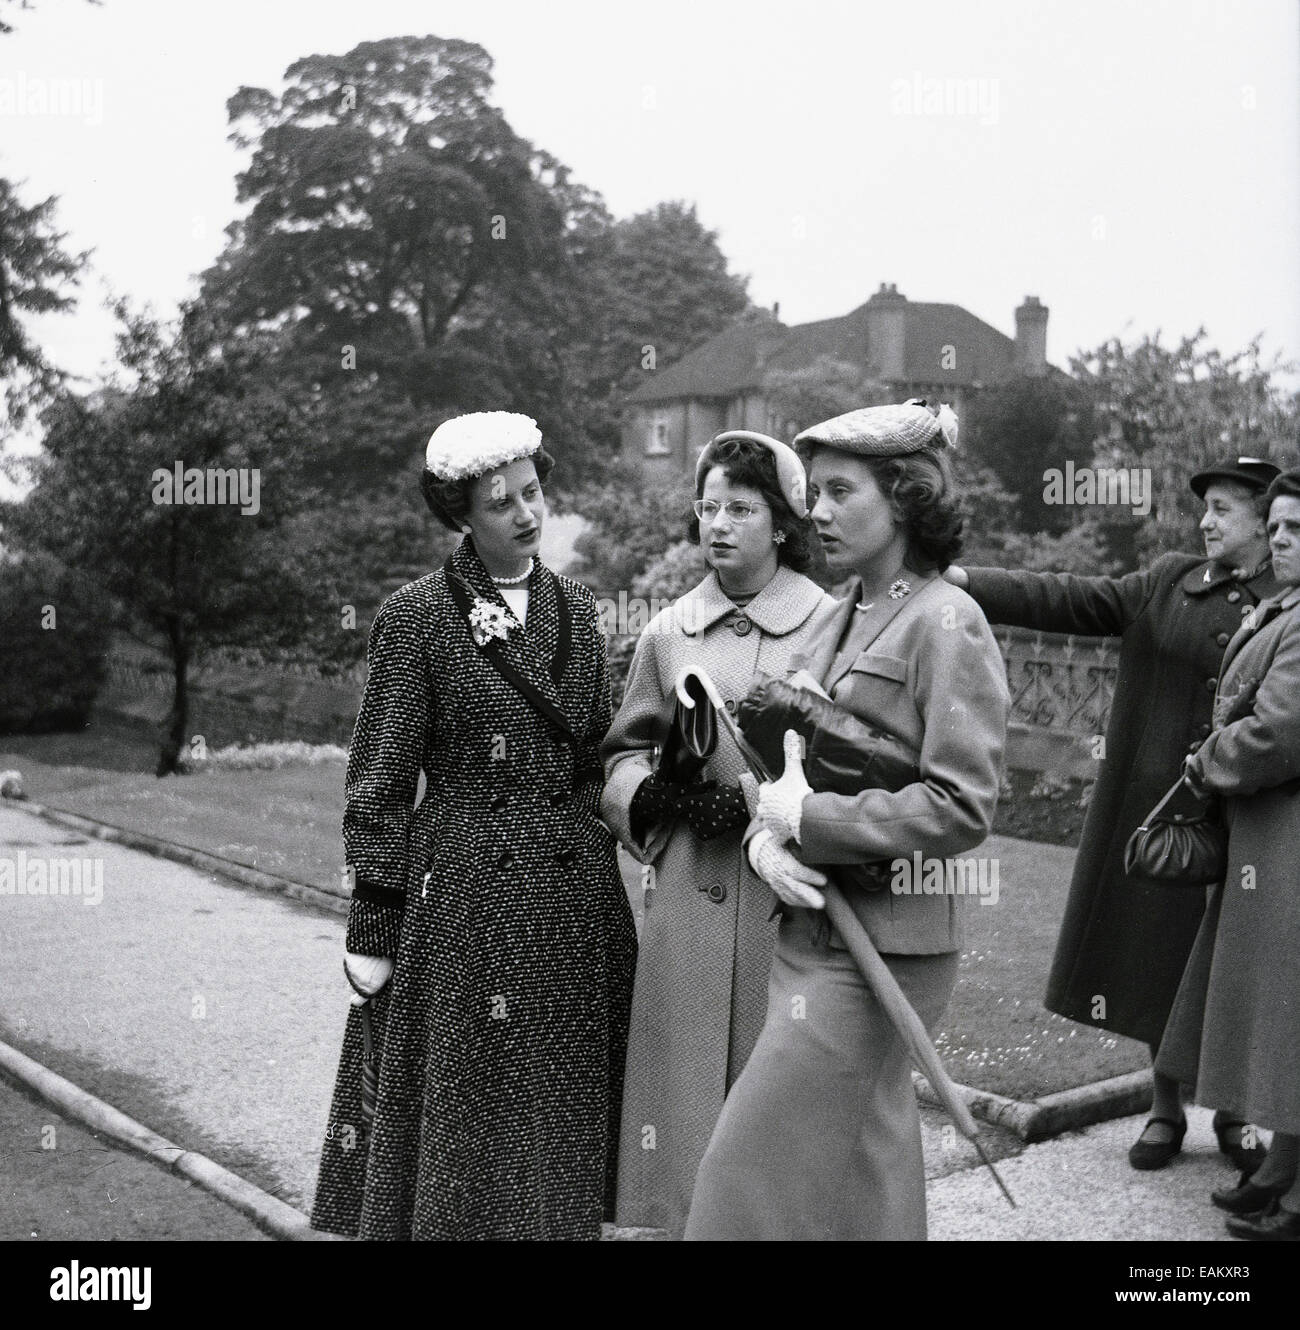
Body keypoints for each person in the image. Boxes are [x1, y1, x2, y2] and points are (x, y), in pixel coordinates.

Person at [684, 400, 1009, 1241]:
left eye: (837, 491)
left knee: (741, 1174)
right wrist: (767, 832)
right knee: (869, 1165)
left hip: (884, 949)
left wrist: (817, 819)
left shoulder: (947, 619)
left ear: (904, 497)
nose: (814, 513)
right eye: (814, 493)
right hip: (812, 929)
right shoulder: (841, 610)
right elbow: (787, 764)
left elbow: (962, 803)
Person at [310, 411, 636, 1241]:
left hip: (575, 903)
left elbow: (599, 758)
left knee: (562, 1110)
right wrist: (374, 922)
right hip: (463, 902)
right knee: (470, 1119)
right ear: (463, 514)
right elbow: (379, 780)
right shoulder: (418, 616)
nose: (528, 515)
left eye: (534, 493)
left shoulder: (579, 609)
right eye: (503, 503)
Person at [944, 456, 1280, 1171]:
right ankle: (1164, 1110)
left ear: (1263, 517)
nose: (1206, 520)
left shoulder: (1293, 600)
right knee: (1154, 957)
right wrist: (967, 581)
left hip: (1253, 818)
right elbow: (1073, 598)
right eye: (1206, 507)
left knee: (1231, 966)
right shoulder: (1169, 581)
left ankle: (1237, 1117)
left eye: (1224, 508)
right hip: (1162, 810)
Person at [599, 431, 833, 1238]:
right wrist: (661, 799)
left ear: (781, 522)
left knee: (778, 1089)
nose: (719, 524)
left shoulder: (830, 627)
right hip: (688, 904)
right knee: (681, 1102)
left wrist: (794, 807)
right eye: (708, 506)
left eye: (741, 508)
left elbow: (859, 757)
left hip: (788, 901)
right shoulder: (669, 631)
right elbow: (622, 752)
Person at [1156, 469, 1300, 1241]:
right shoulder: (1284, 606)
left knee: (1290, 1015)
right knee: (1278, 1013)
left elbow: (1282, 732)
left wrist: (1209, 758)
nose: (1279, 539)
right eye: (1274, 526)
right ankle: (1280, 1168)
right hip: (1269, 837)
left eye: (1295, 528)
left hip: (1289, 837)